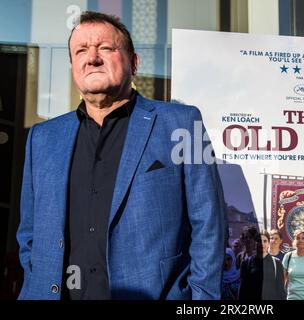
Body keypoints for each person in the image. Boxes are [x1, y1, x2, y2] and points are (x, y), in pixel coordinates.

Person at [16, 11, 226, 300]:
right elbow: (29, 233)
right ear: (73, 65)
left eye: (105, 48)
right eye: (81, 51)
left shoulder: (183, 123)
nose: (92, 58)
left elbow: (209, 224)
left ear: (134, 62)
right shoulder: (42, 138)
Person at [238, 230, 285, 300]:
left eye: (265, 241)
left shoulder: (277, 263)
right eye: (259, 241)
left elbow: (280, 290)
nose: (262, 244)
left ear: (269, 243)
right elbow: (243, 290)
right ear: (255, 243)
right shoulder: (246, 262)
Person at [282, 230, 304, 300]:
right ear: (294, 241)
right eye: (298, 238)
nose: (300, 240)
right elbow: (282, 280)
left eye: (303, 238)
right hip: (291, 298)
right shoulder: (288, 257)